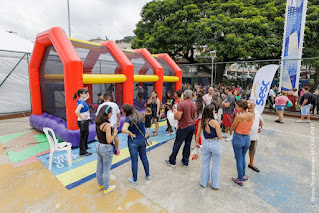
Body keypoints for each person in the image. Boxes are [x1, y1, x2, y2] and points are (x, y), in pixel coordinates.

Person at [165, 90, 197, 167]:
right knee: (188, 144)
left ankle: (172, 160)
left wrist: (174, 116)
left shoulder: (182, 104)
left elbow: (178, 117)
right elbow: (194, 116)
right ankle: (185, 161)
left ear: (184, 95)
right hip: (191, 125)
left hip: (183, 126)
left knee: (177, 143)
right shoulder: (193, 104)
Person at [121, 104, 150, 185]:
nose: (122, 113)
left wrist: (129, 132)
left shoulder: (128, 118)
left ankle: (135, 180)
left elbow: (123, 129)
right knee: (144, 157)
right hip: (142, 140)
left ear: (126, 111)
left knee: (134, 160)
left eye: (122, 111)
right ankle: (148, 175)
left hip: (133, 141)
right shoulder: (140, 115)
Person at [195, 104, 222, 190]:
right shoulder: (215, 122)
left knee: (205, 163)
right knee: (215, 165)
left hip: (205, 143)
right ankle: (215, 184)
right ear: (211, 112)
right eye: (214, 110)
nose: (215, 112)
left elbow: (198, 133)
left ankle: (203, 182)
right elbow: (220, 136)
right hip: (215, 143)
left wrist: (196, 143)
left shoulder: (201, 121)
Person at [95, 105, 119, 195]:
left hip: (99, 146)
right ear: (107, 114)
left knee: (99, 168)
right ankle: (106, 188)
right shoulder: (107, 125)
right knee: (106, 169)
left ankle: (100, 185)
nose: (111, 115)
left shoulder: (97, 122)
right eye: (111, 113)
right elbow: (109, 140)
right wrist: (115, 133)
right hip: (106, 148)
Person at [230, 100, 254, 186]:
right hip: (247, 138)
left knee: (239, 159)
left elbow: (232, 128)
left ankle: (240, 178)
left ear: (240, 107)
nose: (236, 108)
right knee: (243, 157)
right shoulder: (252, 115)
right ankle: (243, 175)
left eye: (236, 106)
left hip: (238, 138)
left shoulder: (239, 117)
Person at [74, 88, 92, 156]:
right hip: (83, 122)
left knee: (86, 134)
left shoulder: (81, 100)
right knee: (83, 137)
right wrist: (82, 118)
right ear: (80, 94)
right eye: (84, 93)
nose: (86, 94)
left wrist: (87, 91)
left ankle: (85, 147)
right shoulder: (81, 103)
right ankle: (82, 152)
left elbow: (88, 97)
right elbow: (76, 111)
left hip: (84, 122)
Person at [247, 100, 263, 173]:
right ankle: (241, 165)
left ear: (254, 105)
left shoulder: (257, 113)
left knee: (252, 150)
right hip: (245, 135)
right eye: (248, 104)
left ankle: (251, 163)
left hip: (254, 135)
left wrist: (260, 127)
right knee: (242, 151)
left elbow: (261, 122)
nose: (250, 105)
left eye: (251, 104)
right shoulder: (243, 112)